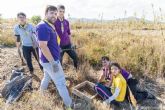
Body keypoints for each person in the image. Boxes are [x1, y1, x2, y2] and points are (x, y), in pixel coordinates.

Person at [36, 5, 72, 110]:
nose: (54, 15)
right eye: (51, 13)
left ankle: (41, 93)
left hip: (47, 60)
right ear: (46, 13)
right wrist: (53, 62)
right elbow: (42, 45)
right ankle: (69, 105)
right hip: (50, 61)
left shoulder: (49, 25)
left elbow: (50, 42)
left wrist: (57, 48)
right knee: (61, 82)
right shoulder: (42, 26)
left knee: (46, 77)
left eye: (55, 13)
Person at [54, 5, 78, 69]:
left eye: (63, 11)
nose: (61, 13)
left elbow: (69, 33)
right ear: (57, 11)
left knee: (75, 57)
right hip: (59, 46)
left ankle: (77, 69)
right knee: (59, 61)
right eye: (60, 11)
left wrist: (71, 43)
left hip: (68, 44)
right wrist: (56, 46)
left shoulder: (66, 22)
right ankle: (60, 75)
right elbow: (53, 35)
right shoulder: (54, 22)